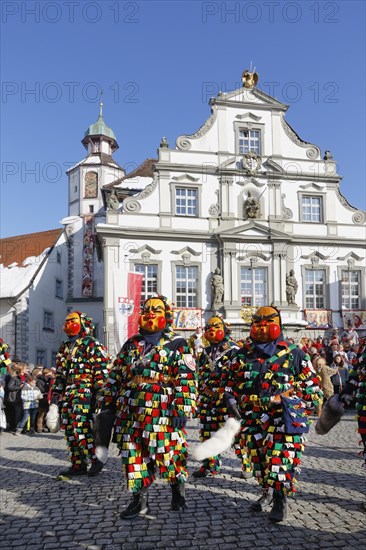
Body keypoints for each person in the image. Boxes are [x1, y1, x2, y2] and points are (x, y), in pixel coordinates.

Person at [208, 305, 322, 522]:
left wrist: (289, 398)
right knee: (258, 461)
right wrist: (230, 399)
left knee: (279, 459)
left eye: (265, 323)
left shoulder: (295, 354)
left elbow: (313, 389)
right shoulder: (240, 354)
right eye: (256, 323)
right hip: (251, 417)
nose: (260, 328)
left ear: (277, 325)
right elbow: (228, 382)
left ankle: (280, 499)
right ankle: (267, 491)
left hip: (281, 418)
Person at [98, 295, 197, 519]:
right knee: (133, 457)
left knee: (168, 454)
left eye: (157, 310)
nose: (150, 313)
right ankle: (139, 501)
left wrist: (181, 409)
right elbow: (116, 376)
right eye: (146, 309)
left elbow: (187, 379)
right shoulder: (131, 344)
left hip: (161, 411)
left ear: (167, 316)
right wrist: (108, 402)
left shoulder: (177, 344)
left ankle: (177, 491)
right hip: (129, 412)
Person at [52, 311, 110, 478]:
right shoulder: (64, 347)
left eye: (72, 321)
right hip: (69, 394)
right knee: (69, 430)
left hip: (85, 393)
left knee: (81, 428)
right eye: (67, 321)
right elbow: (61, 374)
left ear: (83, 324)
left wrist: (98, 395)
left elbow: (101, 372)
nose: (68, 324)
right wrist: (56, 393)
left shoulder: (92, 344)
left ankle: (96, 459)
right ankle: (78, 464)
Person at [193, 316, 248, 478]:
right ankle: (210, 465)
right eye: (208, 326)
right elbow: (200, 373)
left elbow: (239, 374)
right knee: (207, 432)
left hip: (227, 399)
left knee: (234, 433)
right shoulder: (205, 351)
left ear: (224, 329)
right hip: (208, 399)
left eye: (215, 326)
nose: (211, 329)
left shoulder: (233, 350)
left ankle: (247, 464)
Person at [5, 362, 27, 433]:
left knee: (23, 414)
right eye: (25, 368)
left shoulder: (25, 377)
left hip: (24, 398)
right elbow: (9, 387)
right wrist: (19, 387)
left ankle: (22, 427)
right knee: (18, 414)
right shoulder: (15, 378)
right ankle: (17, 428)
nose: (27, 370)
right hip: (17, 398)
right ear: (21, 369)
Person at [35, 368, 54, 433]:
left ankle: (47, 426)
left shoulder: (50, 380)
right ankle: (39, 428)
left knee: (47, 414)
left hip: (48, 399)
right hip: (42, 399)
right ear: (46, 374)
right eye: (49, 373)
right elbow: (41, 389)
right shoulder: (39, 381)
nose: (51, 374)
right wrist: (48, 390)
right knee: (41, 414)